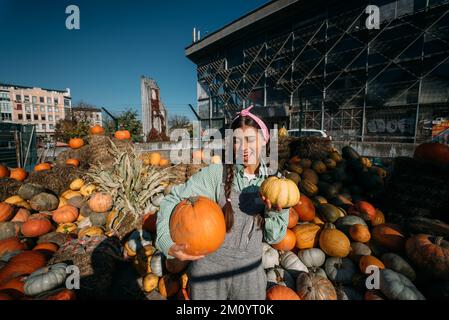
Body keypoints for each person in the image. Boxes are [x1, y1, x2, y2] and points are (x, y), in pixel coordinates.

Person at [156, 105, 289, 300]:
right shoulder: (216, 174)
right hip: (207, 274)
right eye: (236, 141)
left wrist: (277, 212)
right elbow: (173, 199)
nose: (243, 148)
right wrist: (166, 242)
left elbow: (274, 238)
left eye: (250, 139)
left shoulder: (274, 184)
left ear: (264, 140)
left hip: (249, 276)